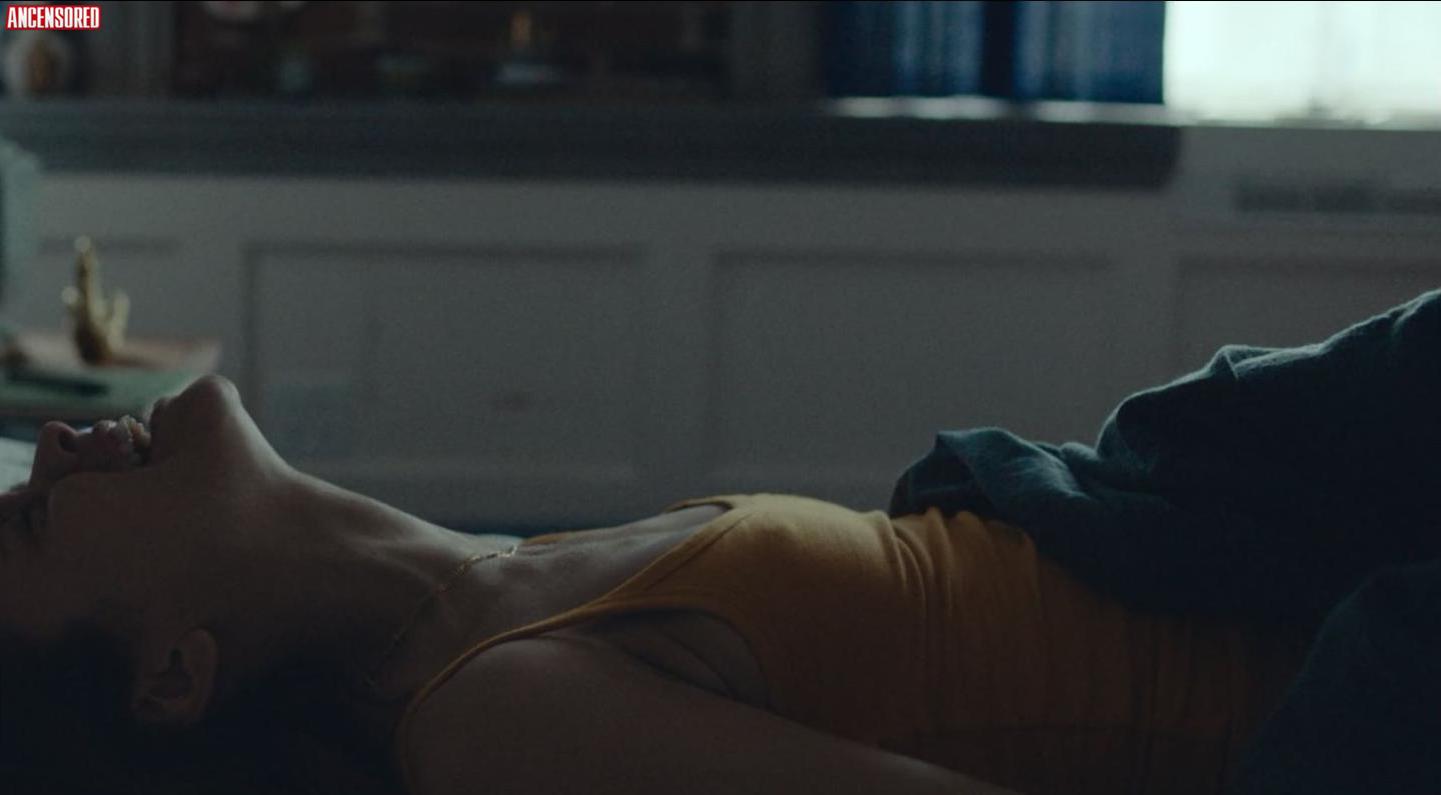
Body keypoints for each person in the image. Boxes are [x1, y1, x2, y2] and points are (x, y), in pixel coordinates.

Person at [1, 290, 1434, 794]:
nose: (52, 447)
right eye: (30, 519)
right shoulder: (491, 718)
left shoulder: (486, 572)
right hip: (1322, 671)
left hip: (1215, 529)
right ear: (173, 674)